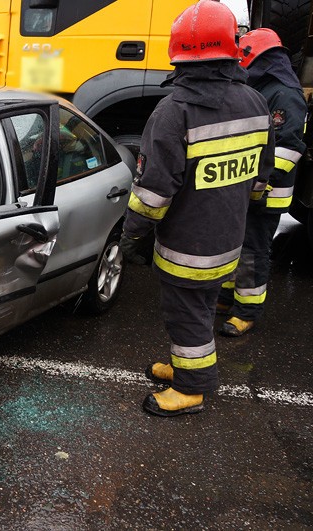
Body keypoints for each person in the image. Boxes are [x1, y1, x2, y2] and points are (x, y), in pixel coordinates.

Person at [120, 0, 274, 417]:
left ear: (178, 55)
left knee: (186, 313)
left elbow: (153, 193)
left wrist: (131, 235)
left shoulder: (174, 112)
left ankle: (191, 388)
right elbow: (261, 175)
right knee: (202, 307)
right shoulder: (256, 103)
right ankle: (185, 364)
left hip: (187, 245)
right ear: (231, 49)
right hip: (230, 238)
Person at [218, 29, 307, 337]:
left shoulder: (284, 93)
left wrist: (258, 184)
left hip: (265, 195)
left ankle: (247, 312)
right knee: (236, 246)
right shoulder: (262, 87)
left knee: (253, 252)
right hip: (245, 191)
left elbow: (288, 149)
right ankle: (228, 298)